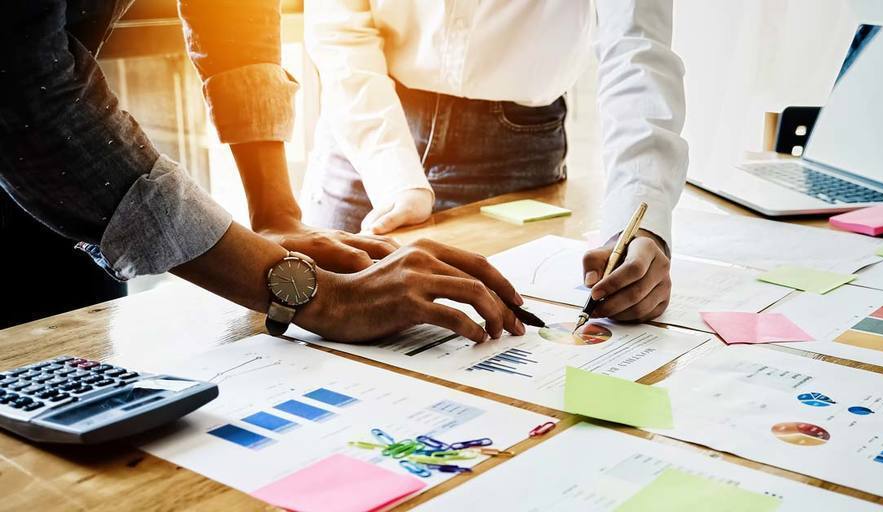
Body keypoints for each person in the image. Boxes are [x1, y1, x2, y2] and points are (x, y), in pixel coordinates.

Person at [0, 0, 523, 343]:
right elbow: (26, 94)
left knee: (76, 381)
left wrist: (276, 213)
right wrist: (322, 297)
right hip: (36, 139)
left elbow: (231, 14)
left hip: (58, 173)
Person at [300, 0, 687, 323]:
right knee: (315, 325)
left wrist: (639, 217)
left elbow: (635, 45)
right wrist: (392, 172)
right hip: (359, 124)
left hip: (513, 147)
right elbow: (337, 23)